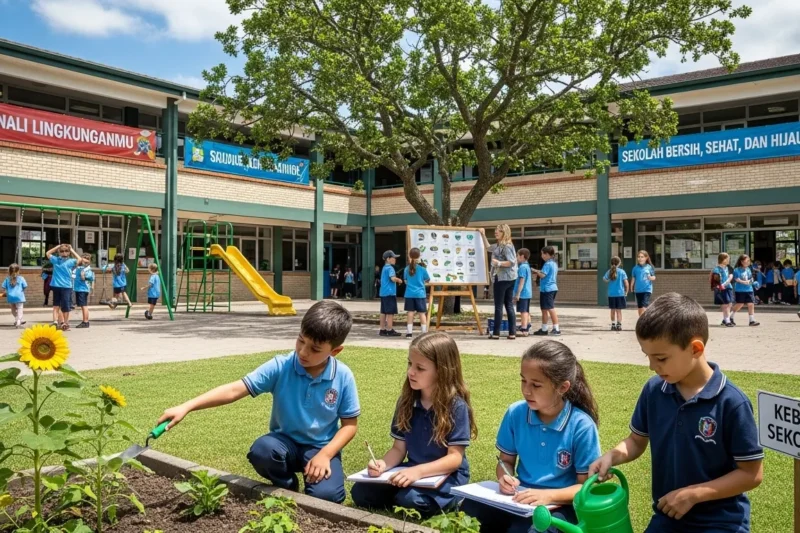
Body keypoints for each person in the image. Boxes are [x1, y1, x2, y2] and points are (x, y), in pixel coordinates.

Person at [589, 293, 764, 533]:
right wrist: (612, 455)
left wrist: (693, 494)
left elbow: (751, 474)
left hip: (721, 522)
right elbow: (636, 441)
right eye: (647, 356)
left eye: (660, 358)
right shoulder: (654, 390)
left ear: (695, 348)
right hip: (668, 516)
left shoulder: (731, 402)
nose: (652, 366)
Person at [158, 301, 359, 503]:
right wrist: (187, 406)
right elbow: (234, 390)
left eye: (315, 349)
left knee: (328, 497)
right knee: (262, 451)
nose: (303, 352)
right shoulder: (281, 366)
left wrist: (326, 454)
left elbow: (349, 426)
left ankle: (317, 477)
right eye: (300, 340)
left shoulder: (343, 376)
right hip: (283, 444)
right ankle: (287, 485)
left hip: (321, 446)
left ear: (335, 351)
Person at [463, 340, 601, 533]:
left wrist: (547, 496)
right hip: (520, 499)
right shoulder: (515, 413)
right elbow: (505, 461)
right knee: (468, 509)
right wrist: (506, 478)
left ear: (562, 387)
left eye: (536, 385)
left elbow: (585, 487)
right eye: (523, 381)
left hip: (561, 506)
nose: (526, 390)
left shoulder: (581, 425)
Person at [351, 332, 476, 517]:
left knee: (410, 500)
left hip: (447, 476)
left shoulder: (456, 406)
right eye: (410, 364)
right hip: (412, 472)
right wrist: (382, 465)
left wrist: (418, 472)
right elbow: (398, 449)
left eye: (420, 368)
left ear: (442, 370)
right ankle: (402, 496)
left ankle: (450, 500)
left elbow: (454, 459)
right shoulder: (406, 401)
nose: (411, 371)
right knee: (361, 492)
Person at [479, 225, 518, 340]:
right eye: (496, 230)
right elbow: (488, 248)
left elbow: (511, 262)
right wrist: (483, 234)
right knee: (508, 305)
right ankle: (512, 333)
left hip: (503, 278)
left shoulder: (506, 246)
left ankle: (496, 333)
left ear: (504, 232)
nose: (496, 232)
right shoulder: (498, 245)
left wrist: (499, 263)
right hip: (508, 278)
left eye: (498, 231)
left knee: (499, 306)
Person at [46, 244, 81, 331]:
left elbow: (79, 259)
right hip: (56, 285)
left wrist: (72, 249)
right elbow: (48, 253)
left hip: (66, 286)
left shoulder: (71, 261)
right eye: (62, 251)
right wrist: (58, 246)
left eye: (66, 251)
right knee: (56, 305)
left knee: (66, 306)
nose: (64, 253)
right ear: (59, 252)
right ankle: (55, 322)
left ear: (68, 252)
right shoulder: (56, 260)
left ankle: (65, 323)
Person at [403, 248, 431, 339]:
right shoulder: (422, 269)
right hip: (420, 294)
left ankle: (409, 333)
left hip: (409, 294)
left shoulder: (406, 269)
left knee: (410, 313)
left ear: (409, 256)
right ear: (419, 257)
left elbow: (405, 281)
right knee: (422, 313)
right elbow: (427, 279)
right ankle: (424, 332)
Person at [532, 246, 560, 336]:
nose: (542, 256)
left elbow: (543, 275)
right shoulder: (553, 263)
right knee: (544, 309)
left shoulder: (548, 264)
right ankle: (544, 328)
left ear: (547, 254)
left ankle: (556, 328)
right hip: (548, 288)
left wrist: (535, 271)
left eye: (543, 254)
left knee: (550, 308)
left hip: (548, 289)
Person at [379, 251, 404, 337]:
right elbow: (392, 278)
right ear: (388, 259)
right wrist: (399, 280)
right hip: (390, 293)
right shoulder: (390, 268)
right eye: (393, 257)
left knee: (383, 312)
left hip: (383, 293)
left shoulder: (384, 267)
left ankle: (382, 329)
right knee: (390, 312)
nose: (395, 259)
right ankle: (389, 329)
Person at [731, 255, 760, 327]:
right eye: (746, 261)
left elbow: (751, 278)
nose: (748, 262)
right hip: (740, 290)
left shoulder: (748, 269)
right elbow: (737, 279)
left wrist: (753, 282)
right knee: (740, 304)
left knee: (751, 304)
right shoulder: (737, 270)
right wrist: (745, 282)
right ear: (741, 261)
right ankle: (730, 316)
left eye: (748, 261)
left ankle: (752, 320)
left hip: (749, 289)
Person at [603, 256, 629, 331]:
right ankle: (619, 325)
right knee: (619, 311)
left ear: (611, 263)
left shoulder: (609, 271)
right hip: (620, 294)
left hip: (611, 294)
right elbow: (626, 283)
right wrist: (626, 292)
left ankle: (613, 325)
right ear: (619, 263)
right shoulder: (622, 272)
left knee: (612, 310)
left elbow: (604, 279)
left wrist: (608, 280)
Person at [710, 253, 734, 327]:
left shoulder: (727, 268)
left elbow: (730, 276)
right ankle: (727, 320)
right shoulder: (717, 269)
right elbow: (716, 279)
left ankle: (725, 319)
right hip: (721, 288)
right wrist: (721, 285)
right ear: (723, 259)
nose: (728, 260)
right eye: (727, 258)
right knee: (725, 304)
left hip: (728, 287)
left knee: (729, 304)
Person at [513, 248, 533, 336]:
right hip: (527, 292)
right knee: (526, 310)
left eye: (517, 256)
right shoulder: (527, 266)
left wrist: (517, 293)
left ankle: (524, 328)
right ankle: (527, 325)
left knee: (523, 311)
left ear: (521, 256)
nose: (516, 258)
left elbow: (522, 281)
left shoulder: (522, 267)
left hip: (523, 293)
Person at [1, 263, 27, 328]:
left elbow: (3, 287)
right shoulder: (21, 278)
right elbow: (25, 286)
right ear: (18, 271)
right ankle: (18, 320)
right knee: (20, 309)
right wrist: (22, 290)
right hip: (19, 296)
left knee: (13, 309)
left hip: (10, 297)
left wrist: (5, 292)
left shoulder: (7, 279)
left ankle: (17, 318)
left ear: (9, 271)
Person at [631, 251, 656, 317]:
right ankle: (640, 320)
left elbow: (654, 277)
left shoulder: (649, 267)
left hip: (647, 290)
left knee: (644, 307)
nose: (640, 258)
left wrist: (650, 278)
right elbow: (633, 278)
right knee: (640, 307)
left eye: (642, 257)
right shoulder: (635, 268)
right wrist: (631, 287)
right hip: (638, 290)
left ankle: (644, 321)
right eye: (638, 257)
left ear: (646, 258)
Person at [73, 253, 95, 329]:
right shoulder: (79, 267)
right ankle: (85, 321)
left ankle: (85, 321)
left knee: (84, 306)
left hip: (82, 289)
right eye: (83, 258)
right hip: (79, 288)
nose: (84, 260)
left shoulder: (86, 269)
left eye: (87, 259)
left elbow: (90, 278)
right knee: (82, 306)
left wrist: (84, 276)